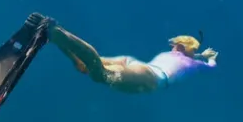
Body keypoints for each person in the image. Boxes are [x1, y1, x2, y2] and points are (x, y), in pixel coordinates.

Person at [46, 23, 217, 93]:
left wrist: (201, 54)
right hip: (148, 76)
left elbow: (186, 56)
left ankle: (55, 38)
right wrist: (210, 59)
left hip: (133, 63)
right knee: (99, 72)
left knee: (88, 65)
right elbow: (210, 67)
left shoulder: (175, 54)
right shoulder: (192, 63)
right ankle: (55, 32)